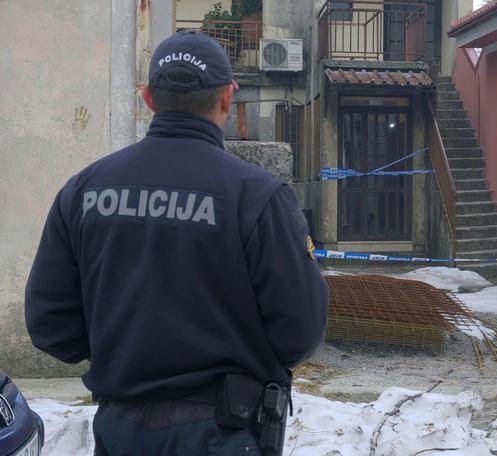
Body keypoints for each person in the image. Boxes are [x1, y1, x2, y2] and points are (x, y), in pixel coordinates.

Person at [25, 30, 329, 455]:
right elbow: (299, 331)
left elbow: (49, 325)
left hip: (121, 429)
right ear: (227, 98)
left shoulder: (83, 192)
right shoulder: (258, 197)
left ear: (148, 99)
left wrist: (122, 349)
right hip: (224, 433)